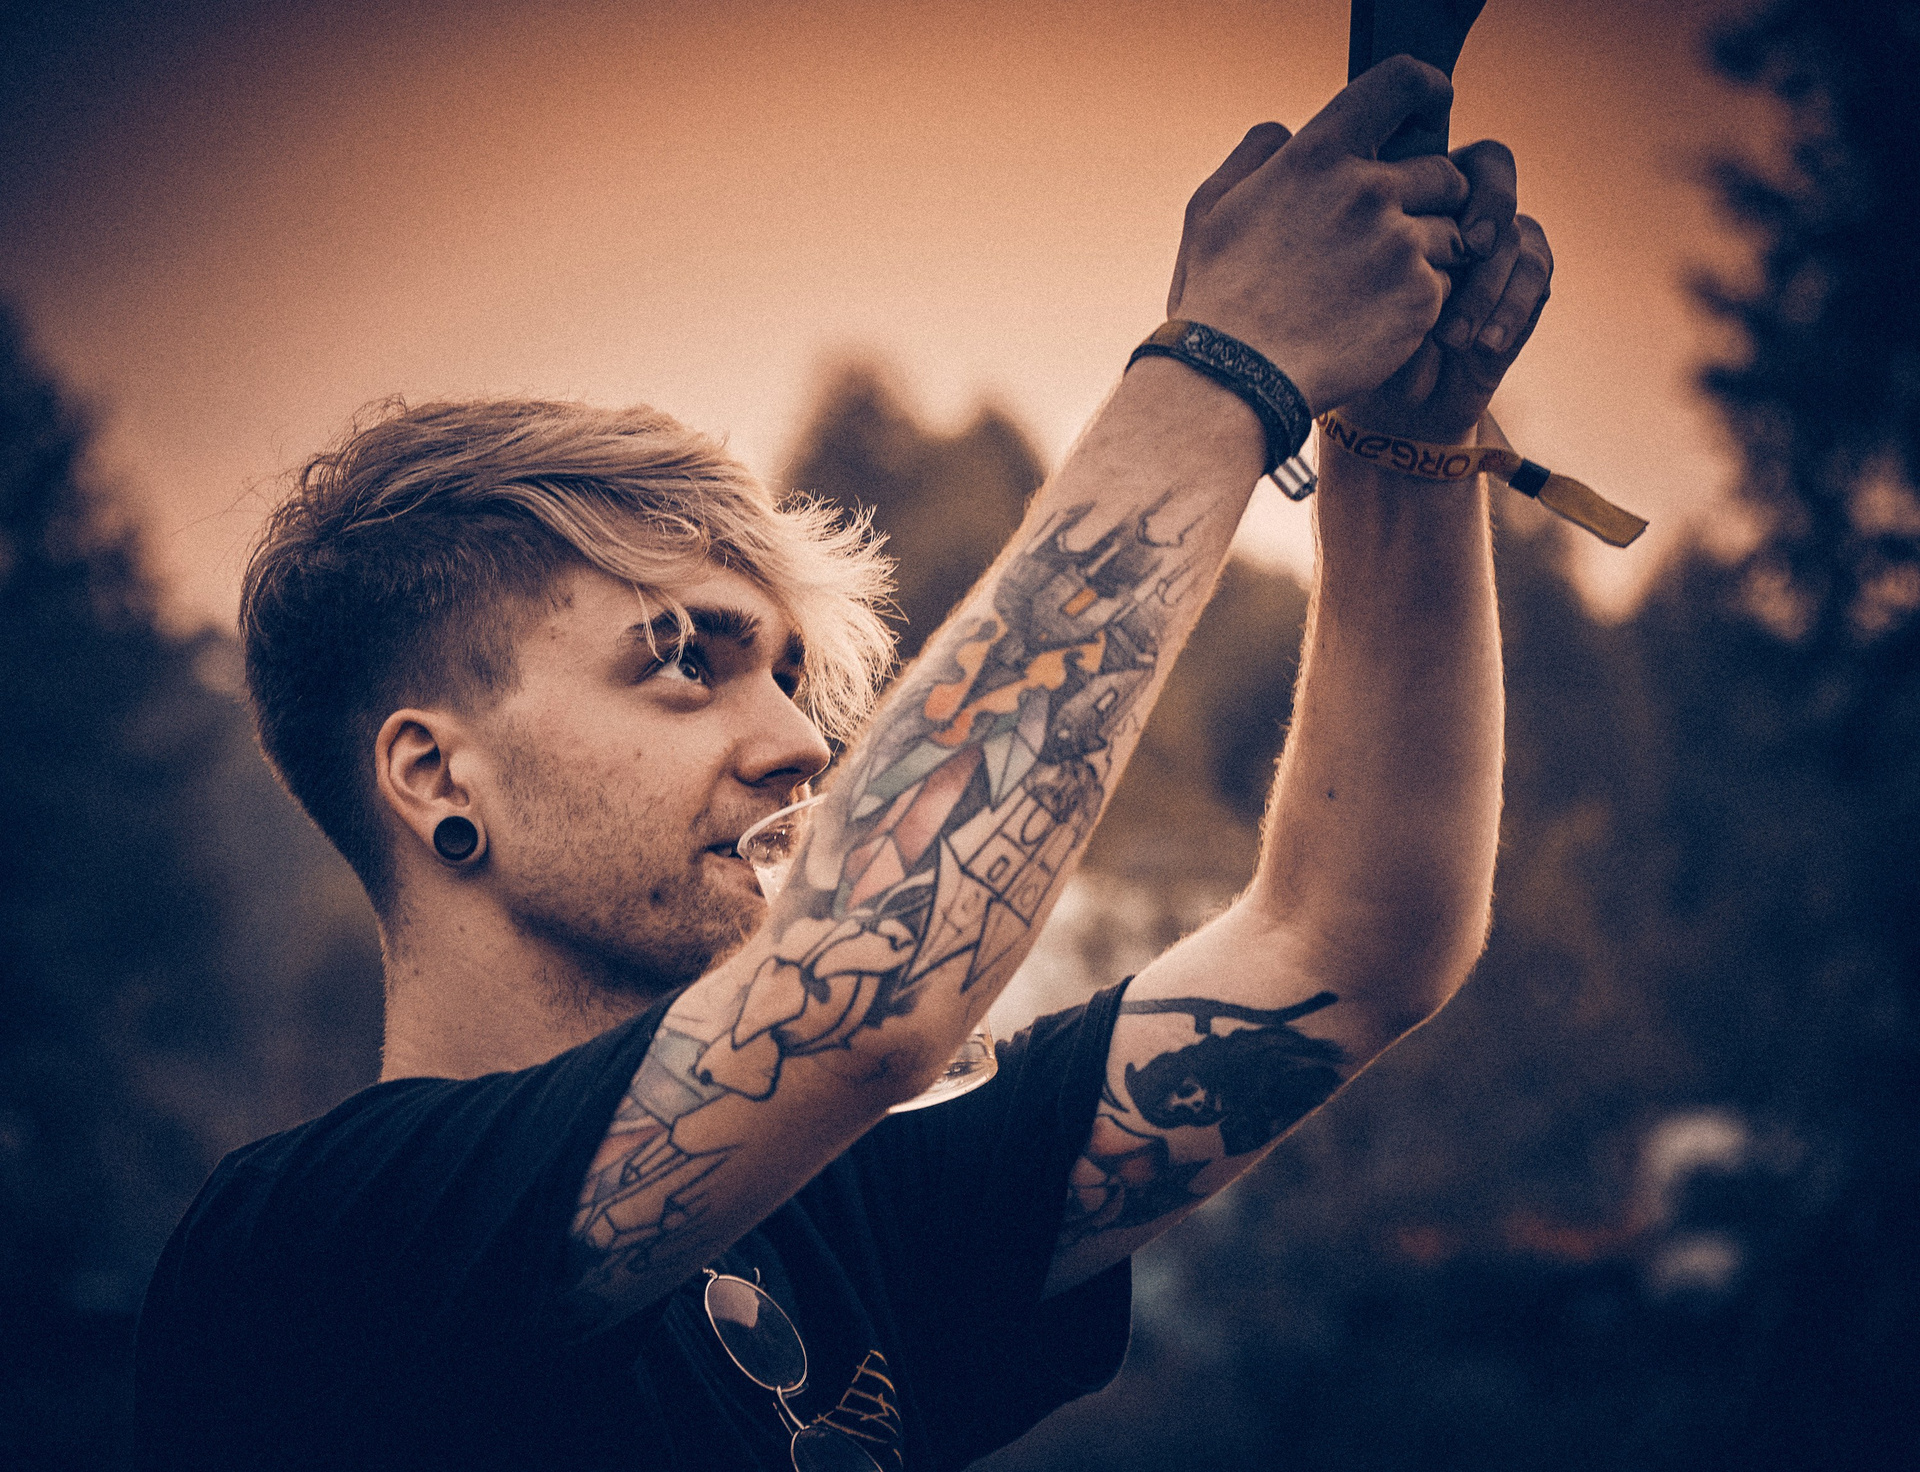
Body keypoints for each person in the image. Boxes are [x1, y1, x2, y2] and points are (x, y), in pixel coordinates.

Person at [135, 56, 1551, 1472]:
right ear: (439, 779)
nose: (803, 742)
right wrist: (1227, 359)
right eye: (683, 662)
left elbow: (1350, 940)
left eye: (789, 674)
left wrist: (1402, 447)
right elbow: (869, 986)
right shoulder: (313, 1250)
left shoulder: (846, 1195)